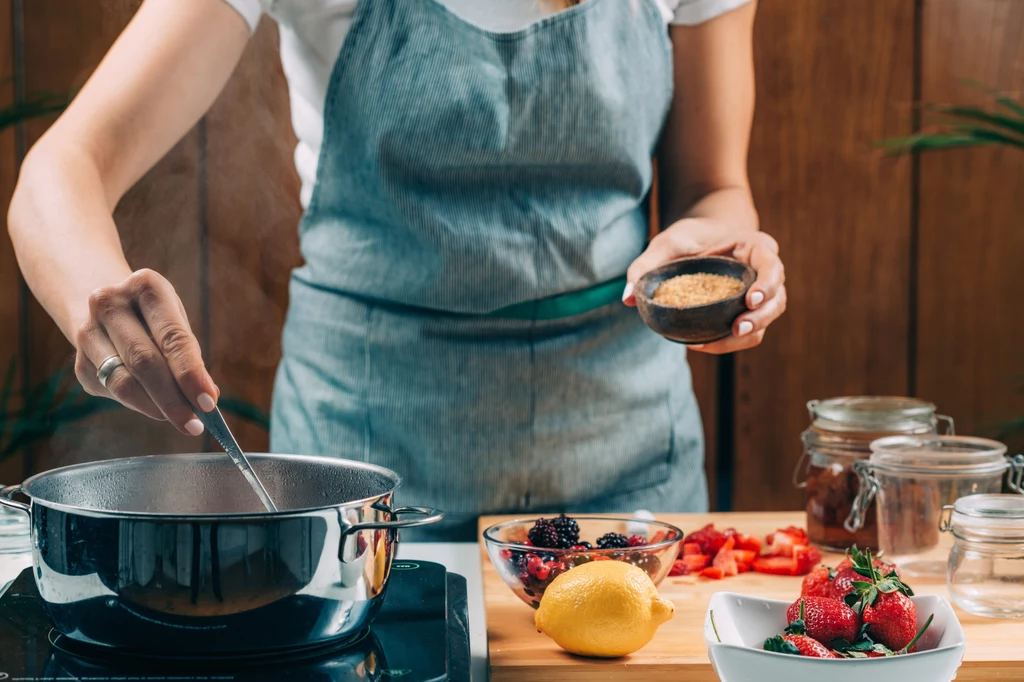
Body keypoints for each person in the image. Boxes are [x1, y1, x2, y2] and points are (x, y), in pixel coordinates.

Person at [8, 0, 785, 540]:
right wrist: (96, 302)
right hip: (365, 474)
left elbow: (714, 187)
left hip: (627, 461)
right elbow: (61, 172)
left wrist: (721, 253)